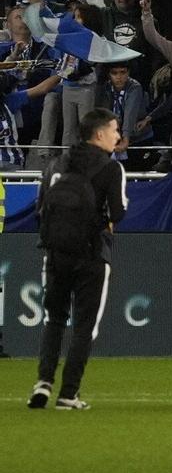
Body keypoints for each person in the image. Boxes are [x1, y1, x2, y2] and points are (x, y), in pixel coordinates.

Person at [27, 108, 125, 411]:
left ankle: (43, 383)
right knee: (85, 326)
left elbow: (41, 208)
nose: (118, 136)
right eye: (114, 130)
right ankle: (68, 393)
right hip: (92, 254)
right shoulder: (110, 168)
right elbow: (118, 213)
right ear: (99, 134)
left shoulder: (57, 163)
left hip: (55, 253)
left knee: (54, 319)